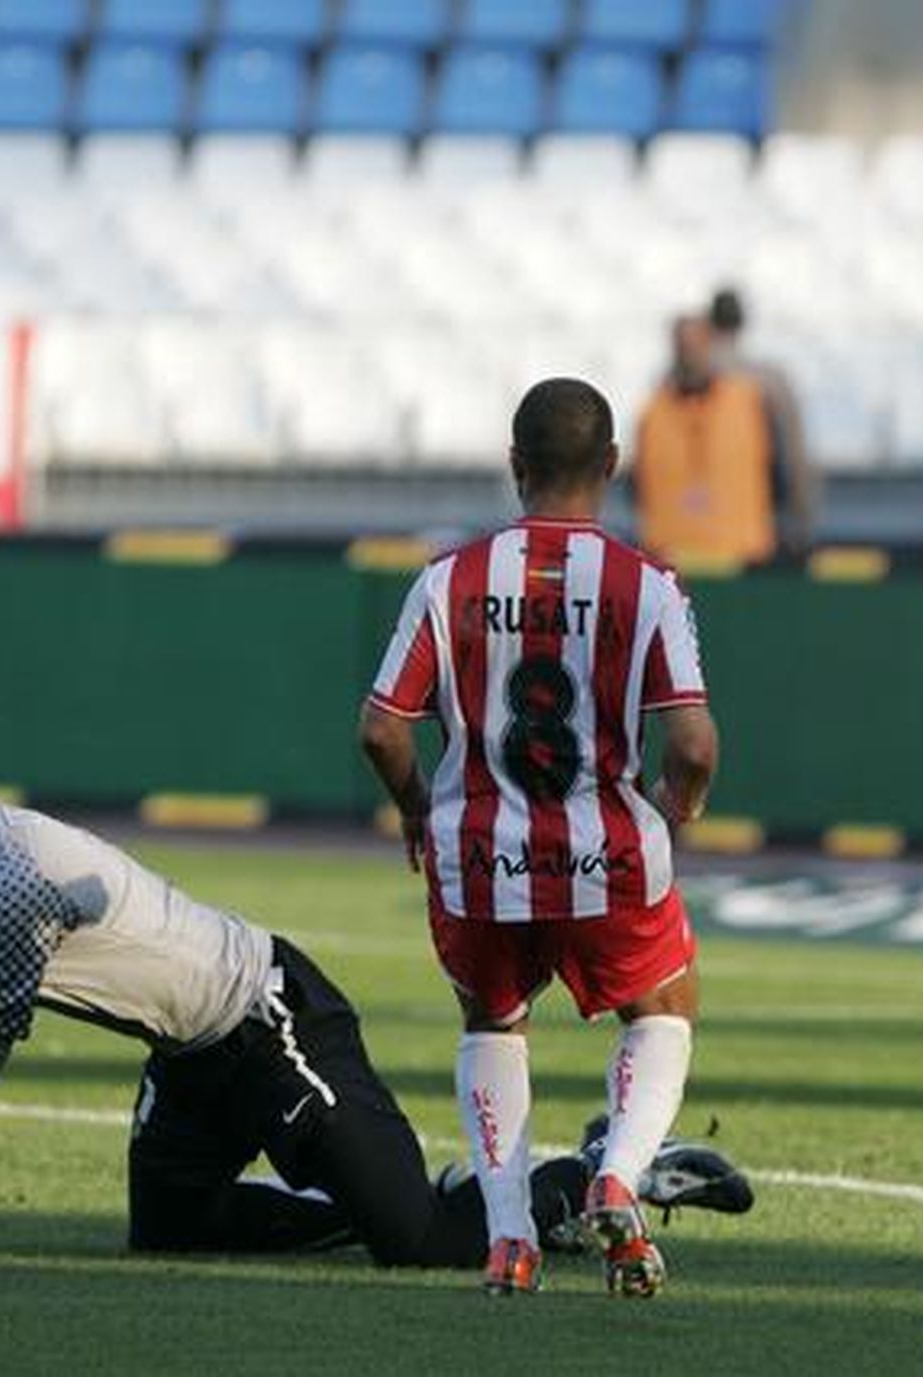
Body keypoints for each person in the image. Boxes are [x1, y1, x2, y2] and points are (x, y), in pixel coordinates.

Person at [0, 661, 746, 1275]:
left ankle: (597, 1173)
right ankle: (374, 1192)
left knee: (420, 1248)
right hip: (189, 1054)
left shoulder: (2, 875)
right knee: (170, 1231)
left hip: (269, 1019)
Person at [359, 378, 720, 1298]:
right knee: (664, 1005)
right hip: (606, 854)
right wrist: (676, 807)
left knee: (492, 1021)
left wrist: (410, 803)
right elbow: (692, 743)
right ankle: (618, 1173)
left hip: (479, 858)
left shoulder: (450, 581)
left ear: (515, 465)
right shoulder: (647, 585)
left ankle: (510, 1235)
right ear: (611, 466)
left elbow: (382, 727)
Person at [633, 313, 786, 565]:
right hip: (670, 559)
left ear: (711, 346)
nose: (690, 355)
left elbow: (779, 472)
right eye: (683, 346)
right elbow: (637, 485)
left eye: (697, 345)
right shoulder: (652, 411)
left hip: (743, 558)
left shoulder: (748, 401)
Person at [708, 286, 818, 554]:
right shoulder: (769, 380)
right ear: (742, 322)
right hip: (753, 525)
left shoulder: (676, 379)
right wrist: (801, 518)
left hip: (687, 530)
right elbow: (795, 455)